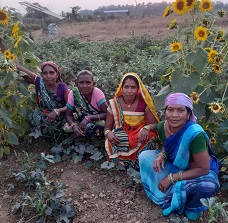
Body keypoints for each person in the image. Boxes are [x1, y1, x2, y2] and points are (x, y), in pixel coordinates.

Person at [139, 93, 221, 220]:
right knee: (145, 157)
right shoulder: (163, 127)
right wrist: (162, 154)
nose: (174, 115)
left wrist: (171, 178)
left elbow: (203, 169)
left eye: (181, 110)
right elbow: (167, 145)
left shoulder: (194, 134)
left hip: (199, 173)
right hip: (176, 165)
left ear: (188, 114)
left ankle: (183, 199)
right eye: (170, 110)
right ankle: (174, 193)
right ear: (165, 112)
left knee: (205, 187)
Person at [104, 72, 159, 170]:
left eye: (133, 87)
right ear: (122, 87)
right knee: (112, 140)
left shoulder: (143, 103)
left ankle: (139, 163)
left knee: (150, 136)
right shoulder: (114, 103)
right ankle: (121, 164)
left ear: (138, 89)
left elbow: (155, 124)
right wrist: (108, 133)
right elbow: (107, 128)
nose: (129, 91)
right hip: (122, 133)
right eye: (126, 87)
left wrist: (147, 128)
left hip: (139, 134)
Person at [15, 60, 70, 134]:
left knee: (68, 125)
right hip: (45, 116)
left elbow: (70, 106)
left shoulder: (63, 87)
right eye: (45, 73)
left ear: (57, 74)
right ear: (42, 74)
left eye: (51, 73)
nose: (48, 76)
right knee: (35, 115)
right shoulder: (40, 82)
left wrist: (57, 111)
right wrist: (7, 51)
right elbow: (19, 68)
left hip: (60, 117)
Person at [65, 70, 108, 137]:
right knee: (67, 128)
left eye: (88, 82)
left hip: (96, 120)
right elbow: (68, 115)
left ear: (93, 84)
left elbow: (107, 113)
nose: (85, 86)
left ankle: (86, 133)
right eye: (81, 83)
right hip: (81, 120)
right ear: (77, 84)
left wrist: (89, 118)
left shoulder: (97, 93)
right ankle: (83, 131)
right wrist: (73, 125)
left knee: (102, 124)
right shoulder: (73, 93)